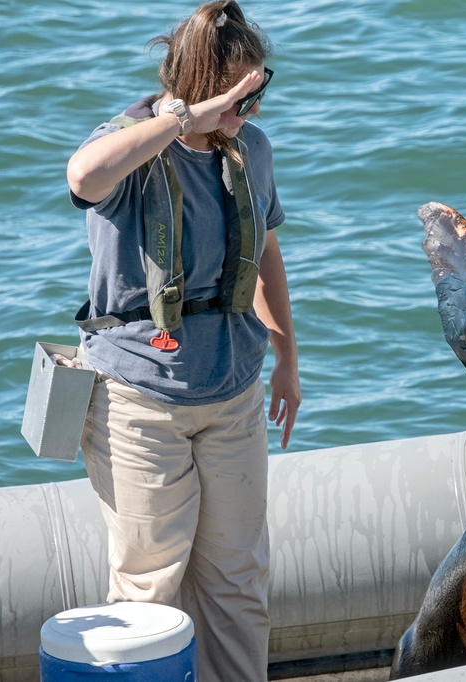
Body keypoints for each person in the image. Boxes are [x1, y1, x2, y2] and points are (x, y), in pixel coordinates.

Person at [66, 2, 299, 679]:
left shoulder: (250, 148)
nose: (249, 107)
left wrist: (287, 357)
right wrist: (182, 123)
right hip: (139, 396)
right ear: (201, 84)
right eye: (237, 94)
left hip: (232, 389)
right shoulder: (131, 145)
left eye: (258, 90)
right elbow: (83, 176)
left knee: (238, 579)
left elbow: (267, 254)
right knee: (148, 587)